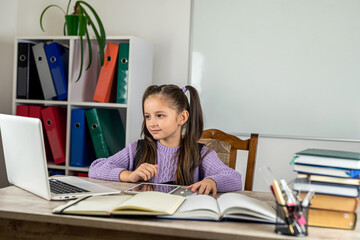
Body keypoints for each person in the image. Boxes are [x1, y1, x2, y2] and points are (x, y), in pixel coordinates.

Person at [89, 84, 242, 196]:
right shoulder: (136, 149)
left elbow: (234, 179)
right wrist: (129, 175)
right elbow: (95, 168)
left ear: (182, 117)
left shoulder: (201, 154)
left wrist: (212, 181)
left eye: (160, 115)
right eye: (148, 116)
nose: (151, 122)